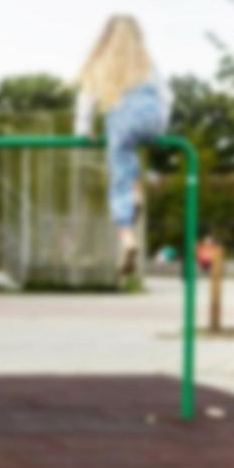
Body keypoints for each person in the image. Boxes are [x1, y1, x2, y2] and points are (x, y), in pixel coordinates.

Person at [73, 15, 171, 280]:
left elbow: (87, 98)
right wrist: (161, 127)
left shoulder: (102, 62)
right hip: (153, 118)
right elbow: (165, 96)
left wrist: (83, 130)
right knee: (130, 157)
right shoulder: (147, 62)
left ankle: (126, 238)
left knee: (119, 175)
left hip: (123, 120)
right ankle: (137, 195)